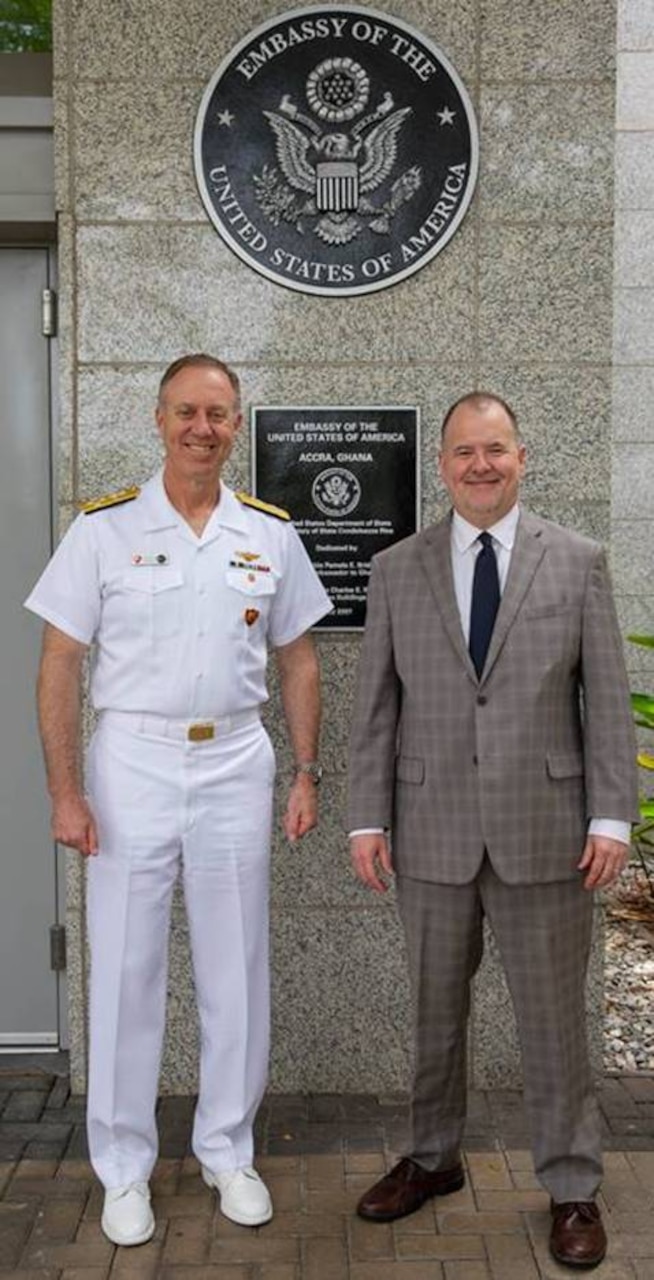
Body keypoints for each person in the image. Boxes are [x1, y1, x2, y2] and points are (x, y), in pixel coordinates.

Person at [25, 354, 332, 1247]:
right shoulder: (103, 530)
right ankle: (123, 1167)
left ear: (238, 425)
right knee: (125, 969)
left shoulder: (267, 532)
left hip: (238, 760)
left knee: (235, 966)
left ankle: (227, 1150)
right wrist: (66, 792)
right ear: (159, 418)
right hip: (132, 764)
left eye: (221, 414)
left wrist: (307, 770)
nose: (204, 428)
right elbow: (58, 663)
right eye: (188, 411)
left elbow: (300, 657)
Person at [347, 392, 638, 1270]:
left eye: (496, 450)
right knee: (435, 1010)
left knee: (554, 1021)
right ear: (442, 465)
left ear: (523, 457)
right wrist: (366, 816)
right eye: (465, 452)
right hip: (428, 827)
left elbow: (610, 704)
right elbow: (377, 707)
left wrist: (611, 813)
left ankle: (573, 1185)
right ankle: (431, 1159)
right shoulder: (399, 567)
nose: (481, 465)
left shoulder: (578, 561)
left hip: (546, 830)